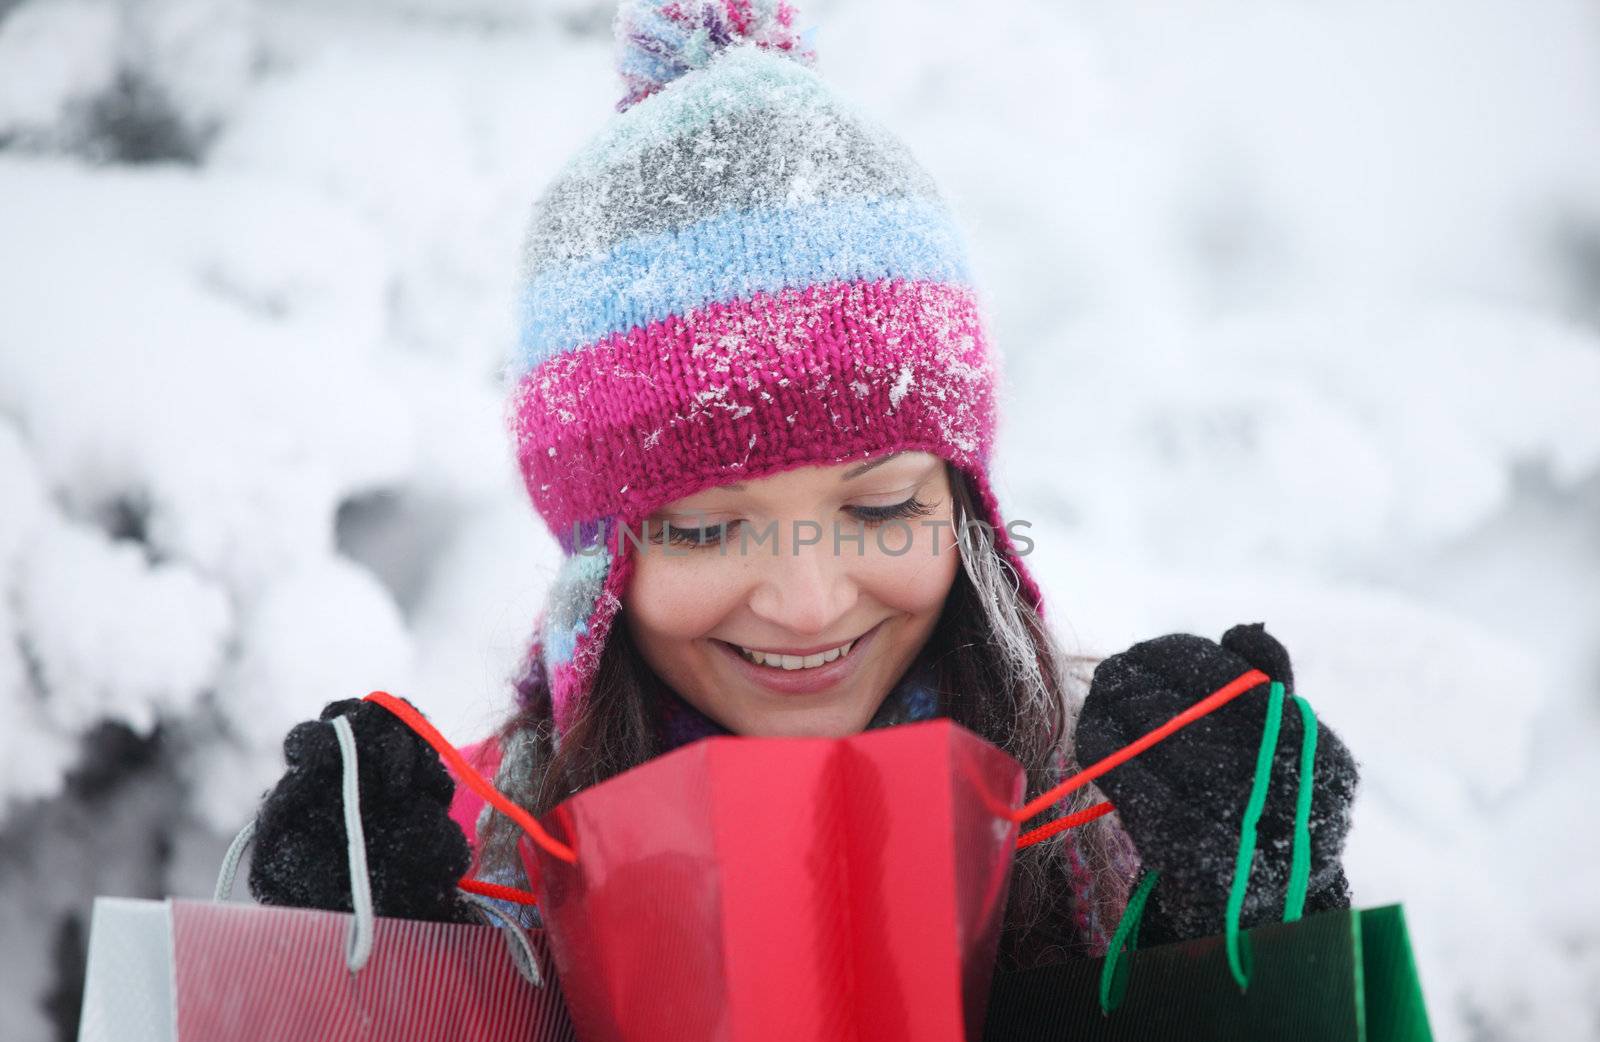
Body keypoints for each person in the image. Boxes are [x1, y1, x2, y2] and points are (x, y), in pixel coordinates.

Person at [246, 0, 1358, 973]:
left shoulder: (1112, 821)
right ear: (597, 562)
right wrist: (374, 982)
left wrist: (1250, 939)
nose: (808, 604)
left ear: (963, 506)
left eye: (878, 509)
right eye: (704, 530)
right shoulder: (471, 863)